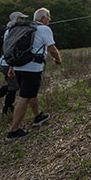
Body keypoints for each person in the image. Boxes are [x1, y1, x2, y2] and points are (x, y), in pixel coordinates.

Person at [6, 7, 62, 141]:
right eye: (49, 17)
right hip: (32, 68)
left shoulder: (23, 28)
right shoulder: (44, 29)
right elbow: (51, 48)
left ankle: (38, 116)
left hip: (19, 66)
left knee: (31, 93)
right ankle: (13, 131)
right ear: (43, 18)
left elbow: (12, 47)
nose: (50, 19)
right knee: (24, 97)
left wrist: (11, 66)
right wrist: (58, 59)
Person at [0, 11, 27, 114]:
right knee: (13, 86)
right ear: (16, 19)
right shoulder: (11, 31)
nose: (24, 20)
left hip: (2, 62)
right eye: (22, 18)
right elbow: (10, 49)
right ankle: (4, 106)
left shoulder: (7, 30)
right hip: (7, 63)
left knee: (13, 84)